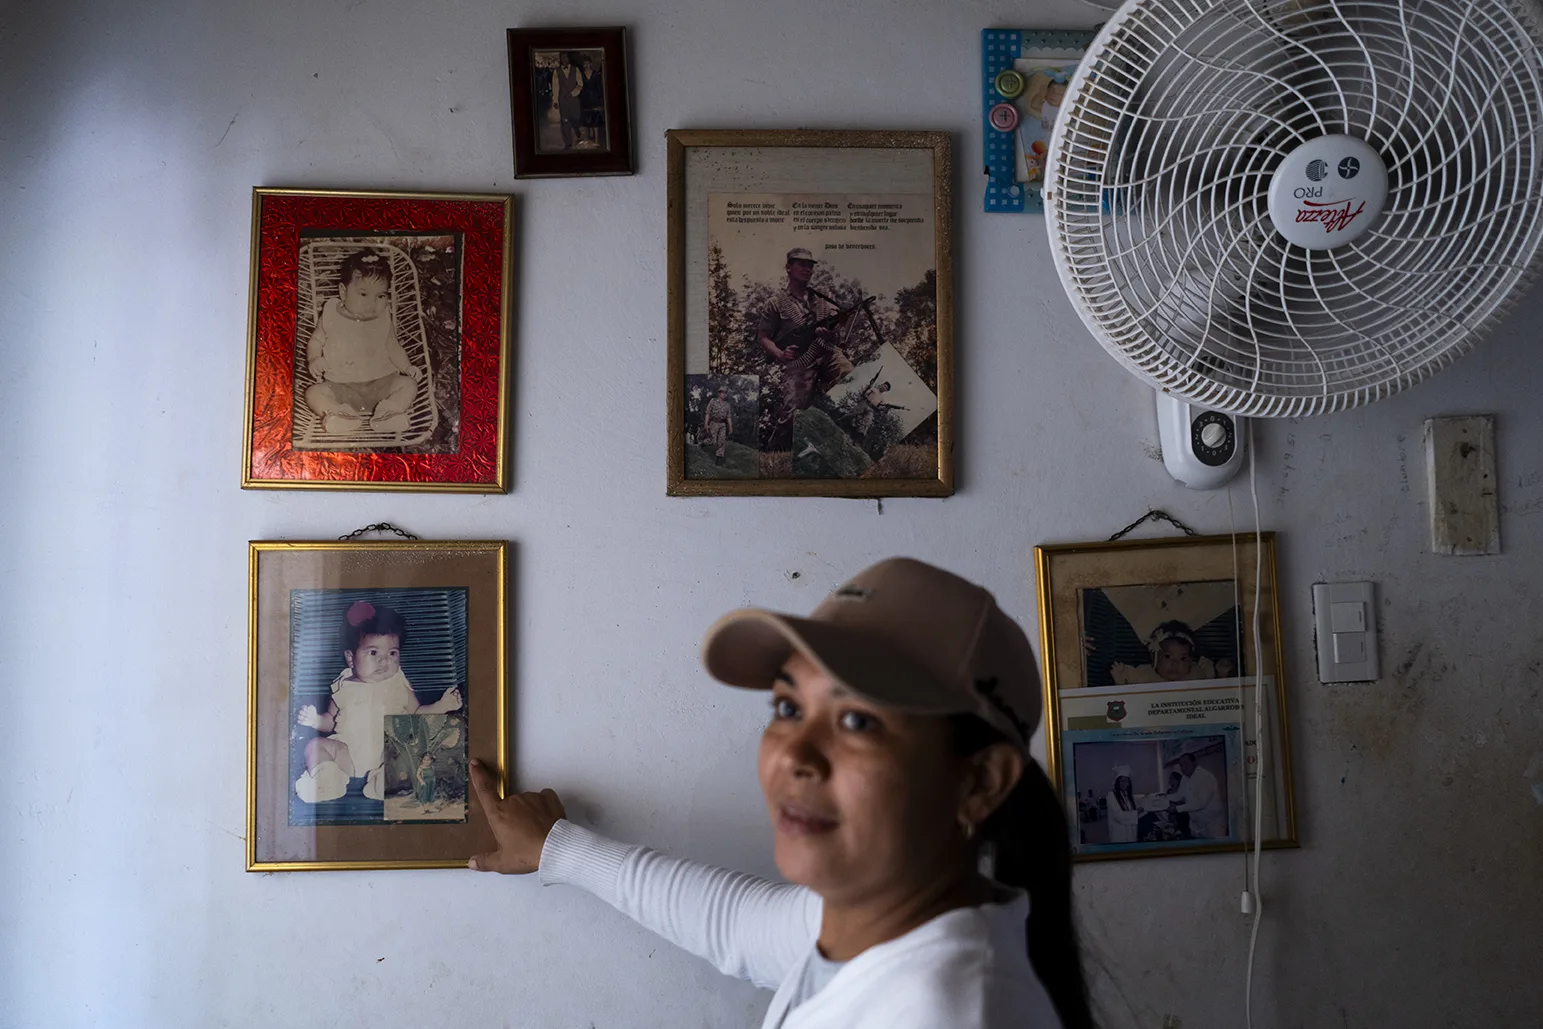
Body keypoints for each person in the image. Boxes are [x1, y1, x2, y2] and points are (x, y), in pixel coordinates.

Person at [467, 558, 1093, 1028]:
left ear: (980, 781)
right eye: (789, 707)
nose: (794, 753)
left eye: (858, 721)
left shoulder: (945, 1012)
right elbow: (739, 925)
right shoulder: (877, 922)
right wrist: (560, 849)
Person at [293, 600, 463, 803]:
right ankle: (328, 780)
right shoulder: (343, 686)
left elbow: (417, 713)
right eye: (373, 652)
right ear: (350, 658)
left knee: (410, 754)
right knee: (314, 746)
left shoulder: (398, 685)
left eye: (392, 653)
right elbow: (330, 721)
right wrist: (315, 720)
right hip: (347, 754)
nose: (384, 660)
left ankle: (383, 783)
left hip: (388, 753)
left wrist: (442, 706)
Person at [302, 249, 421, 436]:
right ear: (343, 292)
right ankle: (340, 414)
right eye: (363, 294)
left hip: (382, 384)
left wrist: (406, 366)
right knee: (313, 393)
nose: (372, 304)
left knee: (409, 385)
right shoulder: (331, 313)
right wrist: (314, 359)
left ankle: (388, 412)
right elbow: (316, 340)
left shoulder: (383, 316)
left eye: (380, 296)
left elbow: (393, 346)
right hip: (341, 387)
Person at [757, 248, 856, 451]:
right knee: (793, 413)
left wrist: (830, 332)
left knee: (852, 380)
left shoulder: (823, 298)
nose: (806, 268)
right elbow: (763, 337)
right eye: (801, 264)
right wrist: (780, 354)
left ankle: (845, 444)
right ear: (788, 267)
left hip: (827, 351)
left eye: (810, 265)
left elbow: (837, 328)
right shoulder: (776, 303)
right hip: (800, 361)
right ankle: (774, 454)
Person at [1109, 621, 1235, 685]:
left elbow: (1215, 695)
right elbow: (1128, 700)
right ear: (1155, 658)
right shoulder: (1143, 674)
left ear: (1191, 660)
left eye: (1183, 658)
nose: (1175, 663)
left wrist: (1221, 674)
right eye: (1167, 656)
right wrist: (1120, 681)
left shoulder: (1199, 672)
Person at [1169, 750, 1227, 839]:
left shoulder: (1205, 777)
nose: (1183, 768)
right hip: (1196, 824)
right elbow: (1179, 795)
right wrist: (1165, 798)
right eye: (1181, 765)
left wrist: (1177, 808)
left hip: (1212, 824)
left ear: (1194, 763)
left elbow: (1201, 803)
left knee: (1215, 847)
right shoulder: (1185, 778)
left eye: (1186, 764)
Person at [552, 51, 583, 150]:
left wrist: (573, 93)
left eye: (566, 57)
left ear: (569, 58)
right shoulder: (556, 71)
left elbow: (580, 84)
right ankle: (568, 143)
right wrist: (555, 101)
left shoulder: (575, 69)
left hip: (574, 99)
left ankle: (576, 127)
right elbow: (555, 87)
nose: (564, 59)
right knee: (565, 121)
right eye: (562, 57)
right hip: (563, 100)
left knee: (576, 118)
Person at [1105, 767, 1139, 844]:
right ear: (1117, 782)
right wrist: (1136, 813)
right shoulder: (1111, 795)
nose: (1124, 783)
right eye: (1122, 781)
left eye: (1126, 781)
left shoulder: (1129, 796)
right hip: (1119, 832)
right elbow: (1118, 816)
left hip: (1131, 832)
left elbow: (1134, 811)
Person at [578, 53, 605, 148]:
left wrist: (599, 100)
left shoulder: (596, 74)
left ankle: (596, 141)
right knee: (586, 121)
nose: (586, 65)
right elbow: (580, 87)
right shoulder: (581, 75)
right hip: (585, 100)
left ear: (590, 63)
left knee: (595, 122)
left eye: (587, 63)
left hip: (594, 100)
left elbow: (600, 88)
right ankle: (587, 139)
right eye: (584, 63)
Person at [703, 386, 734, 463]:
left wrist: (730, 426)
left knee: (721, 441)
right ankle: (703, 444)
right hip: (714, 423)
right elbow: (707, 413)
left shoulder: (727, 405)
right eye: (722, 392)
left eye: (725, 393)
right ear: (719, 393)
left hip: (722, 424)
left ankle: (718, 459)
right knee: (712, 440)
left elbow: (729, 416)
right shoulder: (713, 401)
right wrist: (706, 424)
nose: (723, 394)